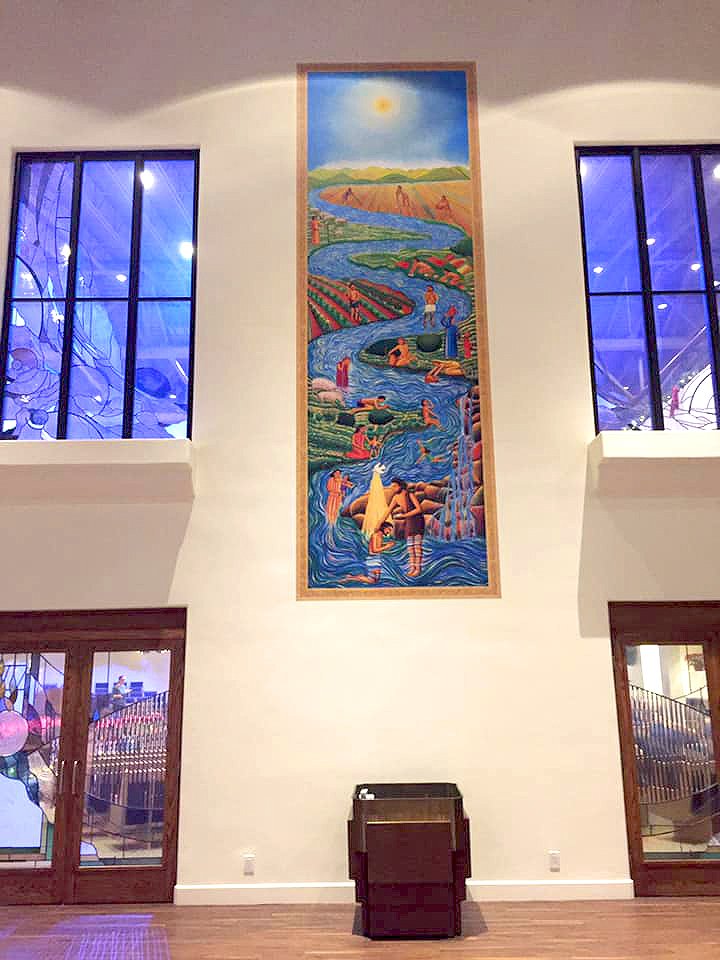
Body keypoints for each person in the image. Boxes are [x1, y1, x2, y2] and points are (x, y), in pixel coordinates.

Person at [376, 479, 425, 578]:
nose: (392, 488)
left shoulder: (409, 494)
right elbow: (388, 511)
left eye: (394, 486)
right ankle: (412, 568)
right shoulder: (396, 497)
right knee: (410, 546)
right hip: (409, 522)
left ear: (400, 486)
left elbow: (419, 509)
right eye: (392, 487)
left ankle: (418, 569)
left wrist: (404, 515)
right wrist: (379, 523)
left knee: (417, 546)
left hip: (417, 521)